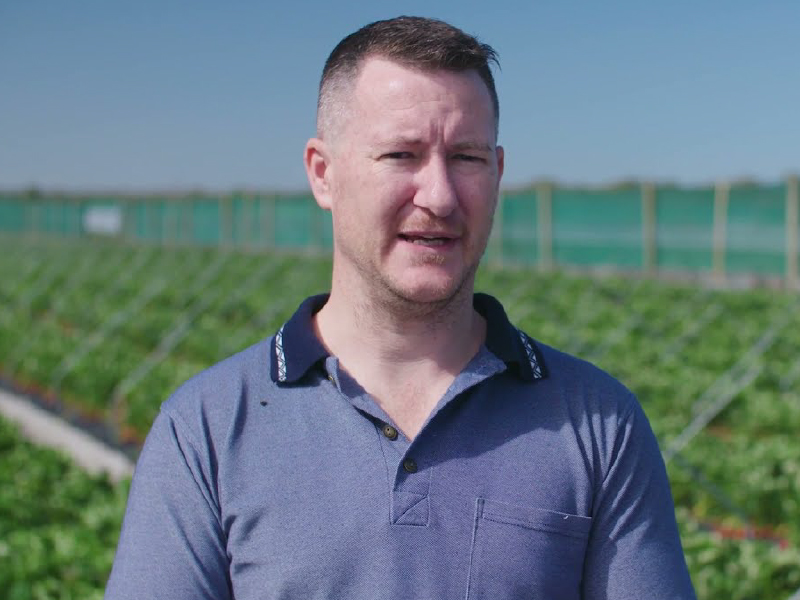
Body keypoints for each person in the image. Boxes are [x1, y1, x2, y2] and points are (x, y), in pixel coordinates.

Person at [104, 16, 696, 600]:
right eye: (400, 155)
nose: (439, 195)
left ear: (497, 172)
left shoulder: (598, 423)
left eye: (466, 157)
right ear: (323, 174)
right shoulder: (207, 428)